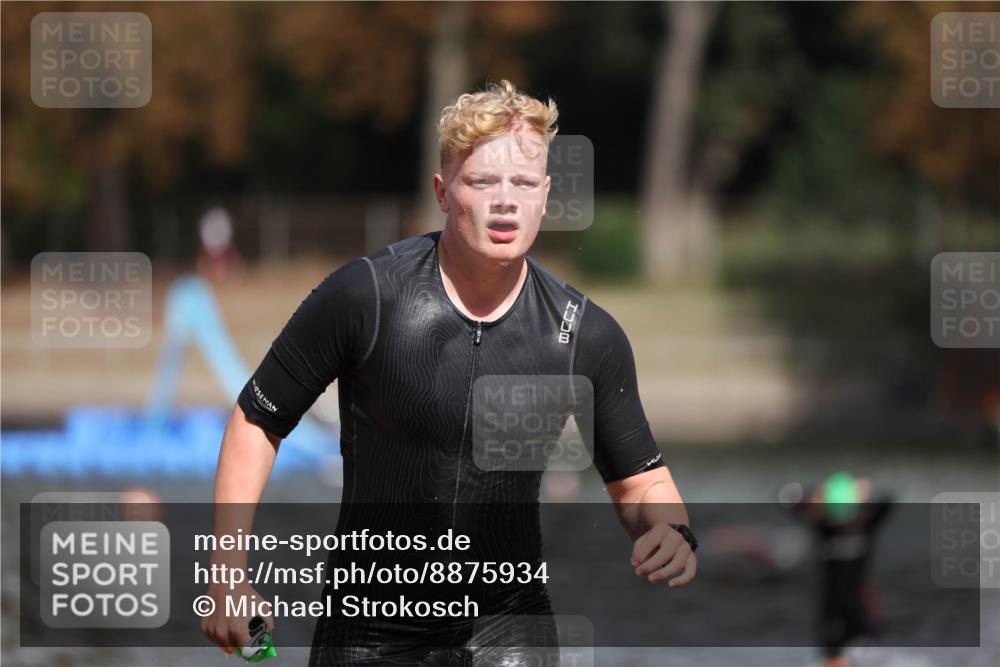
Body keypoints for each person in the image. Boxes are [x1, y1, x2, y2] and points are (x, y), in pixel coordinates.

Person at [200, 79, 697, 665]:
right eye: (483, 182)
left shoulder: (584, 336)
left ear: (546, 195)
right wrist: (226, 574)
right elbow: (259, 419)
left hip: (510, 630)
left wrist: (669, 530)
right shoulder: (367, 297)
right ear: (443, 191)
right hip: (370, 632)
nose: (505, 201)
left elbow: (642, 482)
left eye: (523, 183)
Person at [789, 472, 892, 667]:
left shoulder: (866, 525)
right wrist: (817, 496)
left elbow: (888, 501)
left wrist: (863, 491)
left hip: (861, 608)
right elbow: (787, 499)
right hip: (831, 609)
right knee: (833, 657)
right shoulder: (823, 527)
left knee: (867, 654)